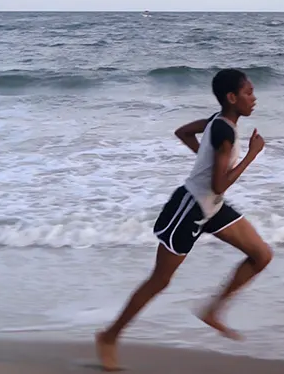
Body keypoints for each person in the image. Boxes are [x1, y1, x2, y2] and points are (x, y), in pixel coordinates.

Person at [95, 68, 272, 371]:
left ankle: (212, 311)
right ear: (232, 97)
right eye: (248, 92)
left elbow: (183, 133)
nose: (254, 98)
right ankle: (108, 337)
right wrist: (252, 155)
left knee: (261, 255)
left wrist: (205, 159)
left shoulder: (219, 121)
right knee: (159, 281)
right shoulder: (223, 130)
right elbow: (219, 184)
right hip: (188, 209)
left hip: (211, 207)